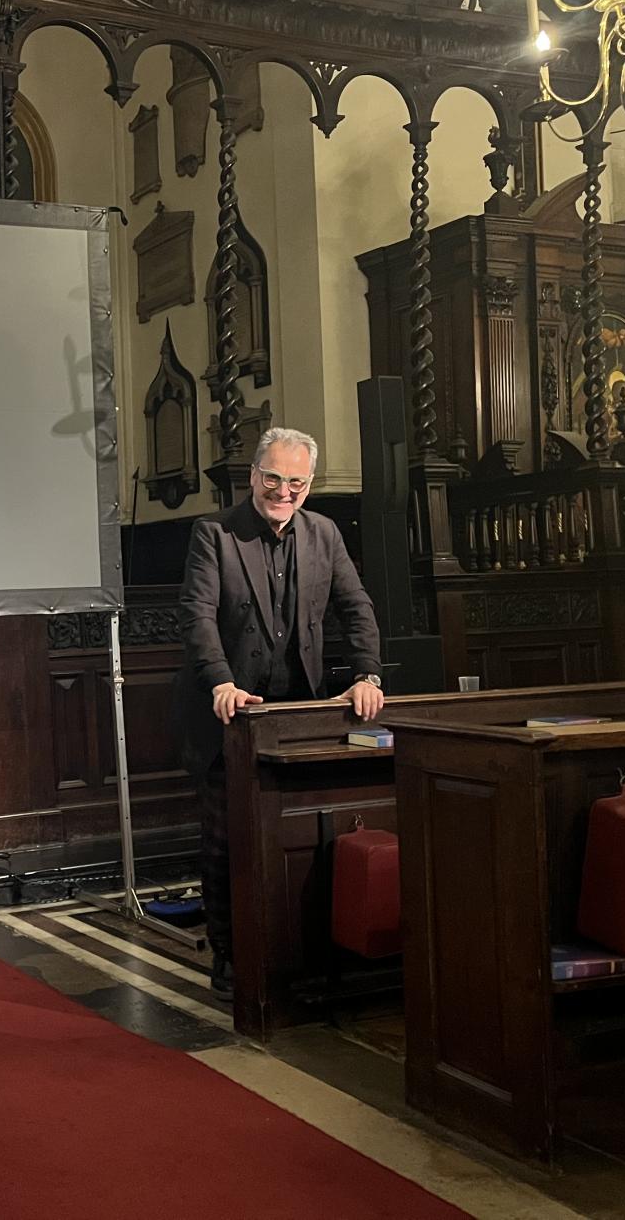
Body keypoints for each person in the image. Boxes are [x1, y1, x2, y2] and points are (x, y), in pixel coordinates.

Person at [174, 428, 385, 999]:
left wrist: (368, 676)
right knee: (227, 847)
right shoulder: (213, 533)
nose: (283, 491)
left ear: (309, 485)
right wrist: (221, 683)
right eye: (273, 478)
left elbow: (355, 606)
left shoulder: (325, 534)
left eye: (296, 482)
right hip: (229, 720)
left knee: (294, 837)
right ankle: (228, 956)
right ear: (253, 476)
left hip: (298, 717)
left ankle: (292, 951)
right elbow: (196, 617)